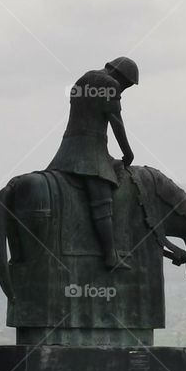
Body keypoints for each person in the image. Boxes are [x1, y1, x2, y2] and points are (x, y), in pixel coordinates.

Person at [47, 56, 139, 270]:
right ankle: (110, 255)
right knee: (102, 198)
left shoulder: (83, 79)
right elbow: (116, 121)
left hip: (67, 148)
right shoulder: (110, 84)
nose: (124, 90)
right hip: (89, 151)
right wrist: (128, 152)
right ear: (122, 76)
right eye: (127, 86)